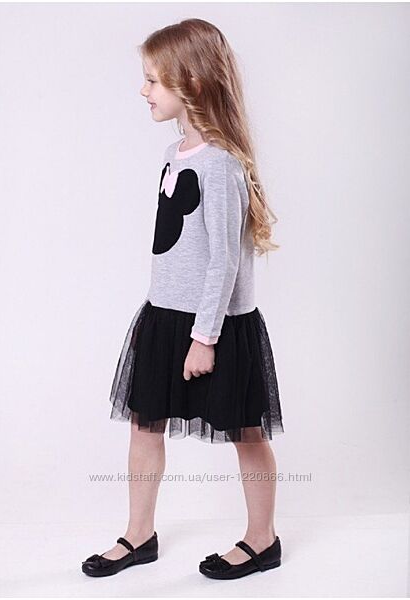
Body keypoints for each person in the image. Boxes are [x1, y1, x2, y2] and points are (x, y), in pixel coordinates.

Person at [82, 17, 285, 580]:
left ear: (190, 83)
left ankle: (262, 539)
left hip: (213, 325)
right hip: (164, 317)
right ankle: (138, 535)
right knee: (144, 425)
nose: (143, 90)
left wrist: (205, 337)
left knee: (247, 431)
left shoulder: (220, 165)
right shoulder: (177, 153)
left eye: (153, 80)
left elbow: (224, 260)